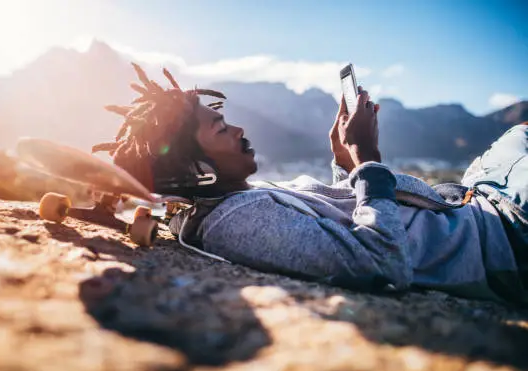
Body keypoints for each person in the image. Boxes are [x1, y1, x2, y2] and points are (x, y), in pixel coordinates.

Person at [93, 63, 528, 304]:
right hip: (502, 235)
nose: (239, 128)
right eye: (221, 129)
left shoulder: (229, 201)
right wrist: (368, 161)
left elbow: (340, 222)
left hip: (479, 197)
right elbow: (383, 263)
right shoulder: (239, 222)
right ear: (196, 171)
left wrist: (343, 165)